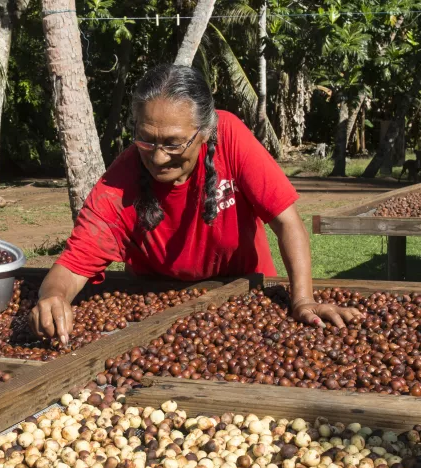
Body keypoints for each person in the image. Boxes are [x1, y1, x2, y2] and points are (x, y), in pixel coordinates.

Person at [30, 64, 361, 345]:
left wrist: (302, 300)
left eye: (174, 143)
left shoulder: (230, 136)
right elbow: (73, 265)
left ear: (204, 131)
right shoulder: (120, 183)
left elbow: (287, 222)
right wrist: (52, 299)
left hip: (249, 295)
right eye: (146, 139)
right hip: (160, 311)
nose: (158, 157)